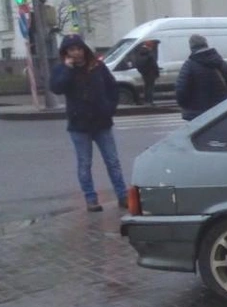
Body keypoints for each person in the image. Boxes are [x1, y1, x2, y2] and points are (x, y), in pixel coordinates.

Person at [49, 34, 128, 212]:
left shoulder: (97, 66)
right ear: (66, 52)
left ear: (84, 49)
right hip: (79, 125)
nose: (76, 53)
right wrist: (68, 70)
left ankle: (122, 196)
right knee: (84, 164)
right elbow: (56, 88)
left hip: (102, 122)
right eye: (71, 50)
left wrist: (109, 107)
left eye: (78, 48)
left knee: (112, 161)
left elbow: (112, 87)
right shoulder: (62, 69)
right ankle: (91, 199)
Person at [175, 34, 227, 121]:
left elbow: (181, 90)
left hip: (197, 113)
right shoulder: (221, 63)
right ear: (206, 44)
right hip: (221, 110)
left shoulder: (189, 65)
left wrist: (186, 106)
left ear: (191, 47)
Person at [133, 40, 160, 105]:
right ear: (150, 46)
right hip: (151, 73)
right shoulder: (149, 53)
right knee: (150, 88)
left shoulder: (140, 52)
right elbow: (154, 64)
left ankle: (146, 101)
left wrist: (142, 71)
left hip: (144, 73)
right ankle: (150, 101)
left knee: (146, 87)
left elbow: (137, 63)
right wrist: (157, 73)